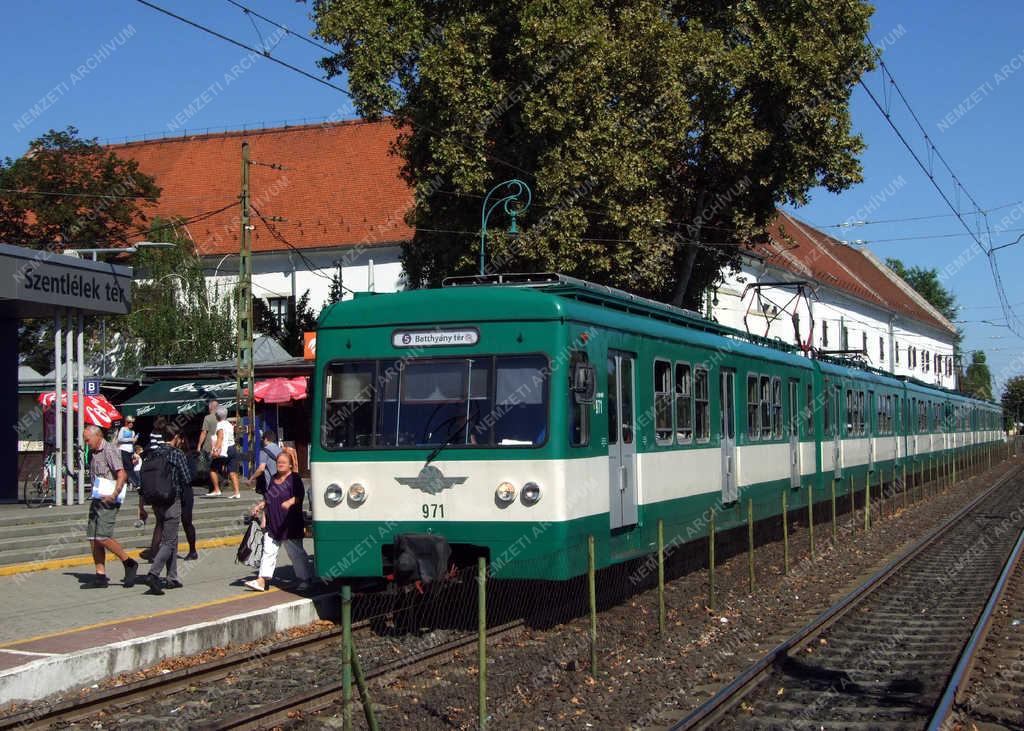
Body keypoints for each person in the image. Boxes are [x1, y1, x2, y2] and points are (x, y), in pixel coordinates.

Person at [244, 451, 313, 592]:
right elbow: (269, 498)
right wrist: (260, 506)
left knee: (296, 554)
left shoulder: (294, 478)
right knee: (268, 552)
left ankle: (305, 579)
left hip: (289, 523)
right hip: (273, 522)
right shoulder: (274, 478)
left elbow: (299, 496)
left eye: (283, 462)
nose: (280, 464)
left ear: (290, 465)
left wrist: (290, 501)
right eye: (278, 462)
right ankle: (262, 580)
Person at [137, 423, 191, 595]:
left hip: (155, 500)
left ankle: (172, 577)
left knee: (171, 537)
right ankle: (153, 574)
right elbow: (187, 478)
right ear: (175, 438)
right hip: (171, 499)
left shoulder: (152, 453)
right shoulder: (177, 454)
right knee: (168, 541)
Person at [83, 425, 139, 589]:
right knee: (93, 538)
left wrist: (114, 494)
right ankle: (100, 575)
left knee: (102, 536)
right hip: (97, 498)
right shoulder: (93, 453)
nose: (87, 443)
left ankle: (129, 562)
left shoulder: (109, 450)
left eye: (88, 440)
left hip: (109, 499)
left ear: (98, 436)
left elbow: (122, 474)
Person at [208, 406, 241, 498]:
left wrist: (215, 450)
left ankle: (217, 489)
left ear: (217, 416)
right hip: (232, 448)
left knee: (213, 468)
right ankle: (237, 492)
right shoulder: (229, 424)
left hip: (225, 450)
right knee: (232, 471)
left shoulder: (220, 424)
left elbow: (220, 438)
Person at [247, 429, 282, 495]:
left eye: (262, 439)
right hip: (282, 483)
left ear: (265, 439)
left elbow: (261, 469)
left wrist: (251, 479)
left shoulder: (264, 451)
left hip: (271, 485)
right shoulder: (280, 449)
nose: (262, 441)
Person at [197, 399, 219, 494]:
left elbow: (204, 432)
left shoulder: (208, 418)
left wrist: (199, 445)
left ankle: (214, 488)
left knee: (210, 468)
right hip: (219, 446)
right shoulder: (221, 418)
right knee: (216, 467)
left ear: (210, 408)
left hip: (209, 446)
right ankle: (216, 487)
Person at [116, 417, 138, 488]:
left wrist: (134, 452)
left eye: (132, 422)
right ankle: (135, 482)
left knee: (130, 467)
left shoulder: (133, 432)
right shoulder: (123, 429)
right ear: (126, 422)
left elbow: (132, 443)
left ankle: (129, 482)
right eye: (129, 422)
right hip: (123, 450)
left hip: (130, 451)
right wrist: (131, 439)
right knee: (128, 467)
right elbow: (119, 439)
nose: (130, 424)